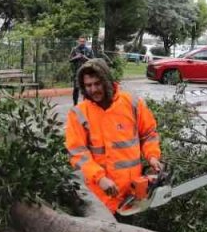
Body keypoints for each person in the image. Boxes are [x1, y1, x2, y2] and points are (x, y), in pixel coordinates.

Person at [63, 59, 162, 213]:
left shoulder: (131, 103)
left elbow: (149, 134)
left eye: (97, 84)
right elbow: (78, 153)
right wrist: (100, 178)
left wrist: (153, 156)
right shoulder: (79, 113)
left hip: (132, 193)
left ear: (106, 81)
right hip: (100, 195)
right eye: (88, 85)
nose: (93, 89)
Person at [68, 36, 94, 105]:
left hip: (86, 72)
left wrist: (86, 58)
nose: (82, 43)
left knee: (86, 88)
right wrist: (76, 57)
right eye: (81, 41)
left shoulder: (89, 50)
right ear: (78, 42)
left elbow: (93, 61)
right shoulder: (74, 49)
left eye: (83, 41)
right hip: (77, 72)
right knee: (76, 88)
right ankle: (75, 104)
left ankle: (86, 104)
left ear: (85, 42)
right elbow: (69, 59)